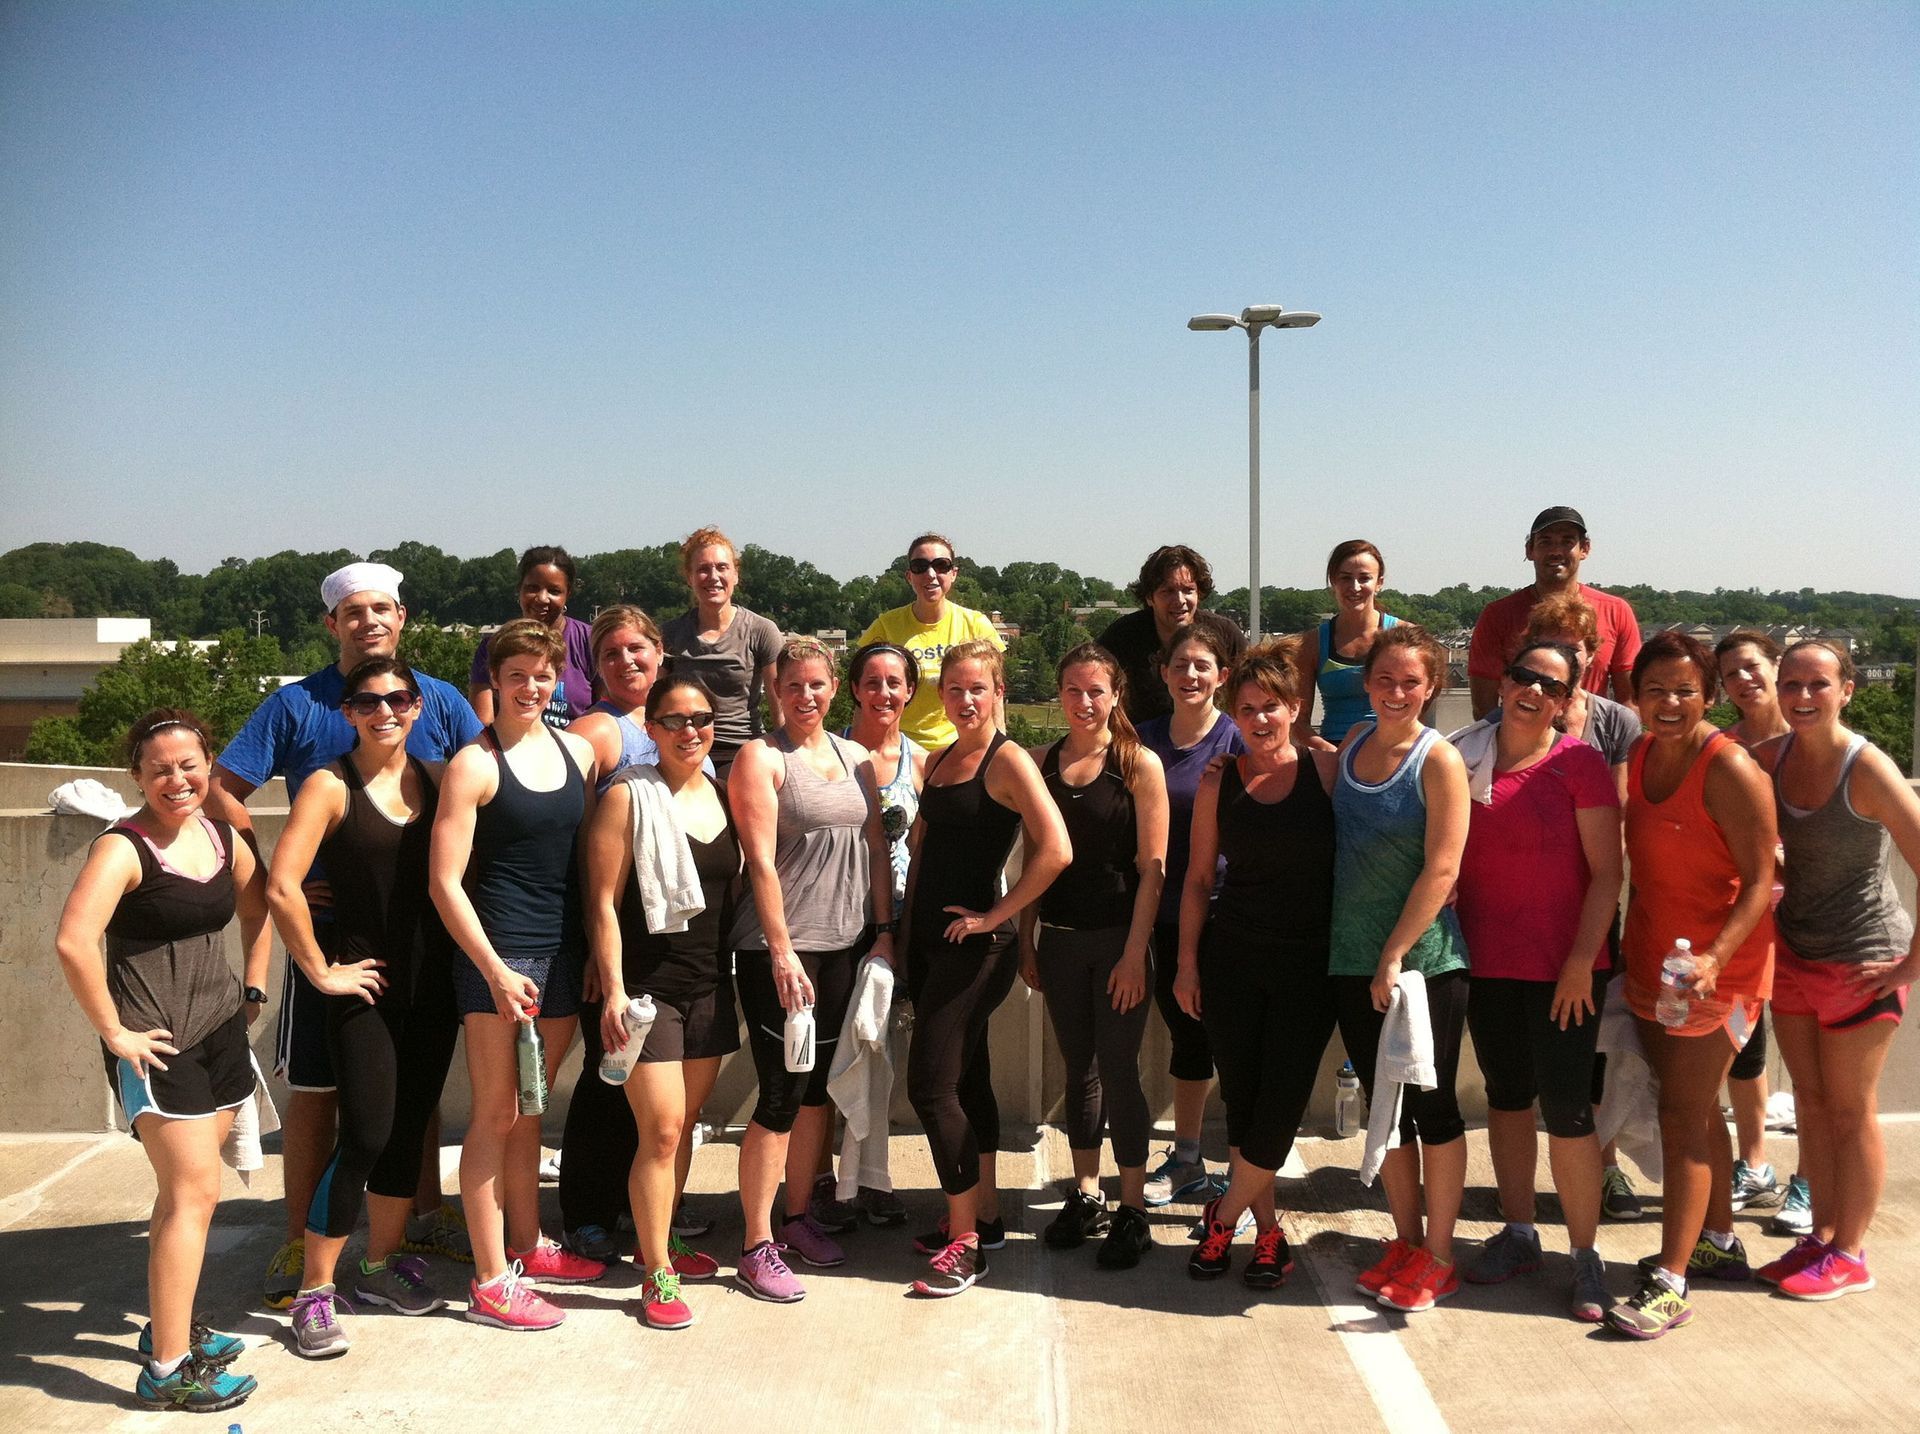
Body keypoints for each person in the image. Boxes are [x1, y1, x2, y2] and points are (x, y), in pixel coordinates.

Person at [204, 560, 480, 1306]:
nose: (369, 621)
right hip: (333, 942)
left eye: (381, 608)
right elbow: (220, 788)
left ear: (403, 616)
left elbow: (487, 786)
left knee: (403, 1109)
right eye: (353, 612)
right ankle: (304, 1251)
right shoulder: (297, 709)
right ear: (332, 625)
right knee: (331, 1101)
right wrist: (267, 876)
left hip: (421, 958)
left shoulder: (445, 705)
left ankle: (398, 1239)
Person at [56, 709, 270, 1412]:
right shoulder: (124, 848)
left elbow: (257, 902)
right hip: (157, 1043)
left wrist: (254, 986)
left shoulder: (219, 833)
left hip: (218, 1031)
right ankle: (169, 1370)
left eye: (189, 765)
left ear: (208, 766)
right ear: (137, 777)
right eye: (158, 769)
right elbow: (74, 942)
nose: (176, 779)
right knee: (192, 1195)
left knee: (186, 1194)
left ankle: (169, 1328)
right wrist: (115, 1032)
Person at [266, 659, 461, 1356]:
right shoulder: (330, 784)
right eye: (368, 701)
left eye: (400, 698)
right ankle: (315, 1291)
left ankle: (378, 1267)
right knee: (366, 1136)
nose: (386, 710)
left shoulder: (439, 780)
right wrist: (320, 971)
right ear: (348, 711)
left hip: (432, 986)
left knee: (409, 1132)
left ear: (418, 706)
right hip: (366, 987)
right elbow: (283, 886)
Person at [430, 619, 605, 1332]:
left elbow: (585, 861)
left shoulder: (578, 753)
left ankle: (529, 1244)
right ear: (493, 683)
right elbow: (444, 883)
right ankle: (491, 1277)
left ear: (559, 678)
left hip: (564, 957)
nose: (531, 687)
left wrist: (594, 948)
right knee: (496, 1116)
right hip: (500, 961)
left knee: (533, 1110)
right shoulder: (475, 763)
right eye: (516, 675)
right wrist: (495, 971)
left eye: (544, 674)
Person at [1605, 632, 1775, 1339]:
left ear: (1708, 695)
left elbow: (1764, 881)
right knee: (1694, 1111)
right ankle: (1719, 1242)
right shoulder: (1640, 754)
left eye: (1684, 690)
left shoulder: (1729, 767)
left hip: (1722, 977)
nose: (1669, 703)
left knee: (1682, 1118)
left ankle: (1671, 1283)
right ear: (1634, 695)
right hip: (1654, 967)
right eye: (1655, 690)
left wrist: (1713, 958)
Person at [1447, 641, 1622, 1321]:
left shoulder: (1578, 764)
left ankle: (1585, 1257)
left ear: (1565, 700)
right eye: (1524, 676)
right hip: (1487, 966)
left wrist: (1581, 960)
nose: (1533, 691)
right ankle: (1520, 1233)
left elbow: (1608, 873)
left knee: (1570, 1114)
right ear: (1504, 681)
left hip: (1566, 974)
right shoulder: (1464, 756)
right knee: (1507, 1098)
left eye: (1551, 686)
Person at [727, 636, 897, 1302]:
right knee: (779, 1094)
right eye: (792, 686)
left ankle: (796, 1218)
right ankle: (755, 1242)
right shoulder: (760, 759)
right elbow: (761, 861)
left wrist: (882, 935)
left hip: (845, 947)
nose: (806, 696)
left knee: (818, 1090)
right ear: (776, 691)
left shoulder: (856, 758)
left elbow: (877, 850)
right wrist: (779, 950)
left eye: (816, 685)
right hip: (782, 954)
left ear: (835, 690)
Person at [1749, 640, 1920, 1299]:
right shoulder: (1771, 759)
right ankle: (1820, 1239)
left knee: (1852, 1112)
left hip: (1861, 962)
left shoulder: (1868, 768)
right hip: (1794, 958)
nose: (1802, 696)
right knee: (1814, 1109)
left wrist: (1908, 966)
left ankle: (1852, 1254)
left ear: (1846, 689)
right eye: (1790, 684)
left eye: (1818, 684)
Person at [905, 641, 1070, 1296]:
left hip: (975, 949)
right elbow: (922, 851)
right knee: (967, 1080)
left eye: (978, 688)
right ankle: (987, 1216)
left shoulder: (1008, 761)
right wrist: (899, 933)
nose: (966, 699)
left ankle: (967, 1245)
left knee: (931, 1086)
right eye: (954, 690)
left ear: (999, 691)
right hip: (926, 942)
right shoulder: (943, 757)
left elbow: (1055, 849)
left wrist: (993, 913)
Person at [1176, 640, 1340, 1290]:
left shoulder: (1325, 771)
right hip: (1233, 962)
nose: (1260, 719)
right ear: (1233, 714)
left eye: (1271, 706)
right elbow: (1195, 881)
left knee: (1280, 1108)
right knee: (1243, 1107)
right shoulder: (1220, 780)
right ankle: (1268, 1237)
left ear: (1295, 708)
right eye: (1247, 709)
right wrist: (1187, 964)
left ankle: (1224, 1214)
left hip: (1310, 969)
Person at [583, 672, 745, 1330]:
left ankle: (666, 1238)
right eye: (674, 720)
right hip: (649, 992)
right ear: (649, 728)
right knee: (663, 1130)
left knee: (686, 1128)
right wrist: (614, 986)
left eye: (700, 718)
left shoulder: (724, 793)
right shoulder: (628, 796)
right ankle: (655, 1272)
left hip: (711, 982)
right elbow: (601, 901)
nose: (690, 731)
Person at [557, 604, 719, 1262]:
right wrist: (600, 955)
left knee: (651, 1104)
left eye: (638, 648)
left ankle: (640, 1210)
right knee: (608, 1084)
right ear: (595, 666)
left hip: (678, 951)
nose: (628, 660)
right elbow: (568, 834)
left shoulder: (685, 732)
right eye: (613, 652)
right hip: (618, 939)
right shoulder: (600, 730)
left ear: (660, 653)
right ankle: (589, 1211)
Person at [1333, 625, 1473, 1314]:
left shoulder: (1439, 760)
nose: (1395, 692)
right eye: (1384, 680)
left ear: (1432, 687)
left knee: (1433, 1110)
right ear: (1366, 683)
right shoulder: (1354, 744)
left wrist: (1393, 953)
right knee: (1384, 1113)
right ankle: (1408, 1240)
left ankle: (1441, 1257)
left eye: (1410, 682)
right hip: (1351, 963)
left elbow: (1444, 867)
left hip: (1424, 969)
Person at [1023, 644, 1168, 1268]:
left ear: (1116, 696)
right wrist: (1027, 935)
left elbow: (1152, 870)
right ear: (1060, 695)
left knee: (1118, 1069)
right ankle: (1086, 1191)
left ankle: (1131, 1206)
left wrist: (1135, 953)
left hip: (1117, 942)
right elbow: (1032, 860)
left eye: (1097, 692)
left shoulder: (1138, 765)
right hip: (1058, 940)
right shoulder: (1039, 763)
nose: (1085, 703)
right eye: (1074, 691)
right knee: (1075, 1068)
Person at [806, 640, 929, 1230]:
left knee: (880, 1059)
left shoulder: (923, 760)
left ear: (910, 690)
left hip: (899, 928)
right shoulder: (834, 756)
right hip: (839, 924)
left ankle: (869, 1178)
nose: (884, 693)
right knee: (830, 1057)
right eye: (872, 681)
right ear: (852, 688)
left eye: (895, 682)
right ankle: (823, 1181)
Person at [1137, 614, 1245, 1207]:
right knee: (1186, 1037)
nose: (1191, 674)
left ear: (1221, 676)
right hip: (1160, 910)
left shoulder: (1237, 739)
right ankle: (1186, 1159)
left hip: (1223, 912)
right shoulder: (1142, 737)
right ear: (1164, 673)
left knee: (1227, 1040)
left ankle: (1239, 1172)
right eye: (1180, 665)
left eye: (1203, 665)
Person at [1714, 629, 1793, 1223]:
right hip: (1749, 920)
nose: (1743, 680)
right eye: (1730, 673)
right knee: (1747, 1044)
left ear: (1775, 667)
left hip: (1814, 922)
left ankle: (1808, 1180)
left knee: (1813, 1059)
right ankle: (1757, 1163)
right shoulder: (1726, 749)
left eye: (1751, 667)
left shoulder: (1811, 740)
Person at [1468, 507, 1641, 717]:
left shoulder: (1616, 611)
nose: (1556, 551)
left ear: (1584, 549)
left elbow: (1630, 701)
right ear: (1529, 550)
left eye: (1567, 542)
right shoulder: (1497, 616)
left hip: (1593, 740)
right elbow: (1484, 708)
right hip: (1521, 741)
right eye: (1545, 542)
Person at [856, 533, 1006, 748]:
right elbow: (863, 698)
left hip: (961, 750)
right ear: (909, 576)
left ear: (953, 574)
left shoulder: (976, 625)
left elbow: (996, 698)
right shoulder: (886, 626)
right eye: (920, 566)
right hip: (899, 750)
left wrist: (998, 751)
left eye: (941, 565)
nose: (930, 574)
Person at [660, 527, 784, 777]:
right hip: (685, 746)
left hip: (742, 750)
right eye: (703, 569)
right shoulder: (670, 635)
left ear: (736, 574)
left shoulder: (761, 631)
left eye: (722, 567)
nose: (713, 576)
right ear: (690, 577)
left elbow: (780, 708)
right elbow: (656, 703)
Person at [468, 546, 597, 728]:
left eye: (554, 591)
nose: (542, 598)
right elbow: (482, 722)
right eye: (532, 588)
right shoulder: (493, 647)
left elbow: (604, 713)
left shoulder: (590, 641)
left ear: (568, 594)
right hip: (511, 750)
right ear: (519, 589)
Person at [1094, 545, 1212, 726]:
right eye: (1168, 591)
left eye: (1188, 590)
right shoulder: (1122, 637)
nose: (1179, 600)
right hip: (1136, 745)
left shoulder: (1222, 635)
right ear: (1150, 597)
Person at [1303, 539, 1400, 743]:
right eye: (1345, 578)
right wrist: (1335, 757)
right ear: (1333, 581)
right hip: (1333, 753)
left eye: (1364, 578)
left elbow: (1421, 709)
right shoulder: (1312, 643)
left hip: (1391, 750)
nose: (1354, 587)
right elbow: (1299, 723)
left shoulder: (1404, 637)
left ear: (1379, 583)